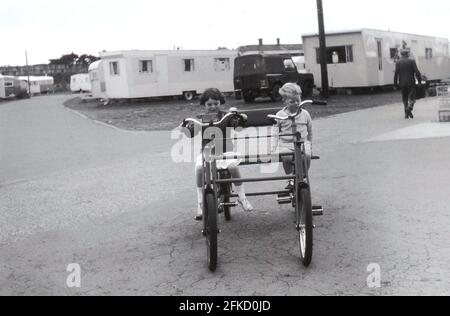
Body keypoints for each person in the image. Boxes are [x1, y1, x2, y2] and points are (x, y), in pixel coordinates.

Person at [188, 88, 254, 221]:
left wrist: (240, 118)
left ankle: (242, 197)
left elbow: (237, 125)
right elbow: (192, 131)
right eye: (209, 104)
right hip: (208, 152)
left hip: (226, 152)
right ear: (204, 105)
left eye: (216, 103)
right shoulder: (201, 118)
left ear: (220, 103)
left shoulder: (226, 116)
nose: (213, 107)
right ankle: (200, 203)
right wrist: (188, 126)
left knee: (233, 168)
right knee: (200, 168)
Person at [271, 83, 313, 189]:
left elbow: (310, 129)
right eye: (292, 101)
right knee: (286, 155)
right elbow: (275, 132)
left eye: (298, 101)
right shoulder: (280, 115)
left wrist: (310, 143)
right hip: (286, 143)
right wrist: (273, 147)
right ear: (284, 101)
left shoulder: (305, 114)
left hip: (302, 142)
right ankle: (290, 178)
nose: (296, 103)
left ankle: (303, 176)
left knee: (306, 155)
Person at [394, 49, 422, 119]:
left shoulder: (398, 62)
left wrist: (395, 84)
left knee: (405, 98)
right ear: (407, 54)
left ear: (401, 55)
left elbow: (396, 74)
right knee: (412, 98)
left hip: (402, 83)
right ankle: (409, 107)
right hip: (411, 83)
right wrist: (419, 82)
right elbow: (417, 72)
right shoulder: (412, 61)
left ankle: (406, 114)